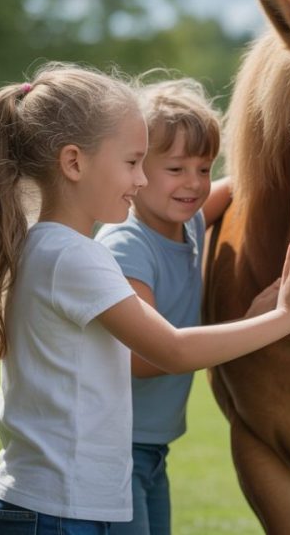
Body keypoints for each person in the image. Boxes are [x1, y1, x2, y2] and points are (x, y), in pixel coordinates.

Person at [0, 62, 290, 534]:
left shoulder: (51, 247)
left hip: (61, 504)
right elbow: (170, 349)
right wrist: (287, 315)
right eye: (131, 163)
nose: (141, 180)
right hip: (57, 512)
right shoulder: (76, 258)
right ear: (74, 163)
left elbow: (230, 191)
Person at [94, 76, 232, 535]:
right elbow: (145, 356)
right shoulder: (128, 244)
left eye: (204, 168)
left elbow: (234, 189)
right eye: (176, 169)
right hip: (113, 451)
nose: (194, 184)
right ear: (137, 169)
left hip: (152, 448)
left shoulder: (187, 224)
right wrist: (258, 320)